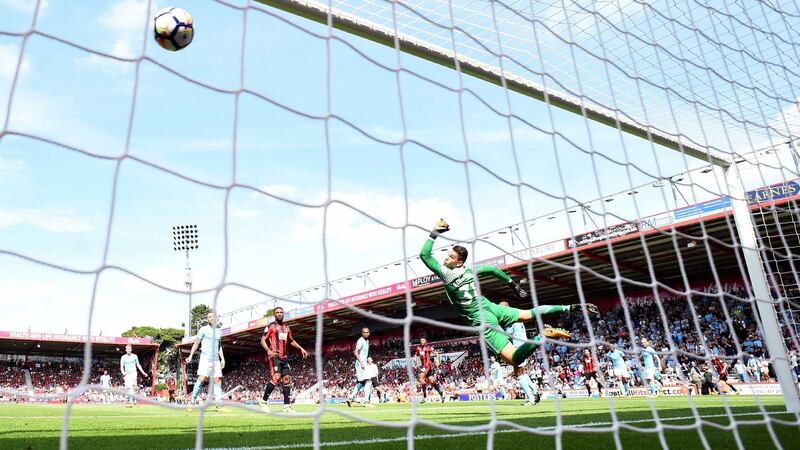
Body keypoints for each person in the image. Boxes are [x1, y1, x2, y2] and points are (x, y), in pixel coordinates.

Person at [420, 219, 596, 373]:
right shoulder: (469, 269)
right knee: (527, 314)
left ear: (458, 261)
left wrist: (434, 232)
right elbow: (493, 269)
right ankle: (571, 307)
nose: (446, 259)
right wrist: (512, 284)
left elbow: (424, 255)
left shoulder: (446, 273)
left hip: (482, 319)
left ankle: (543, 335)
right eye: (447, 255)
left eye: (451, 257)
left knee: (514, 360)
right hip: (490, 306)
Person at [259, 307, 309, 414]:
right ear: (274, 315)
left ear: (283, 314)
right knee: (276, 378)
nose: (279, 314)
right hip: (275, 356)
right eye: (277, 312)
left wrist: (301, 348)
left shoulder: (287, 328)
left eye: (281, 312)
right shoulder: (271, 327)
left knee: (286, 379)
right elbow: (263, 340)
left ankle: (286, 406)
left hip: (284, 358)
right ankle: (263, 402)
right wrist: (268, 350)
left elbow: (290, 340)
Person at [499, 301, 540, 405]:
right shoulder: (517, 318)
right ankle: (535, 391)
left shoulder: (511, 320)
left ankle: (531, 399)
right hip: (524, 346)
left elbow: (507, 335)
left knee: (519, 375)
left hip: (518, 348)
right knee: (522, 373)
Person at [186, 311, 227, 412]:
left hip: (216, 359)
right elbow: (196, 343)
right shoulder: (203, 329)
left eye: (213, 316)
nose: (212, 318)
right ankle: (192, 402)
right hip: (205, 358)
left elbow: (219, 346)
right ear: (207, 319)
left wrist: (222, 358)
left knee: (218, 380)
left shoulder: (218, 331)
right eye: (209, 317)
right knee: (202, 378)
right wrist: (191, 355)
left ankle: (219, 405)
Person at [347, 327, 371, 407]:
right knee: (369, 381)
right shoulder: (361, 341)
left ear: (369, 333)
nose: (366, 333)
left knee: (362, 382)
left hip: (362, 362)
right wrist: (362, 363)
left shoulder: (366, 341)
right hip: (361, 363)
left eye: (367, 332)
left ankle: (350, 398)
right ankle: (366, 401)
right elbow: (355, 352)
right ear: (362, 333)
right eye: (364, 332)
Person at [416, 337, 445, 403]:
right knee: (432, 381)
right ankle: (442, 394)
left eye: (423, 340)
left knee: (421, 379)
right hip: (423, 366)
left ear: (426, 341)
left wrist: (437, 360)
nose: (422, 341)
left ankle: (424, 397)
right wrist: (414, 358)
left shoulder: (429, 348)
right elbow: (416, 354)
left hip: (427, 366)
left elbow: (436, 353)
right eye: (421, 340)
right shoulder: (418, 348)